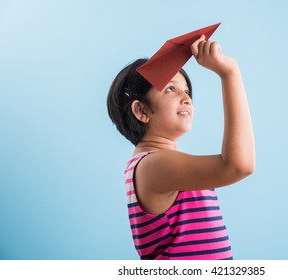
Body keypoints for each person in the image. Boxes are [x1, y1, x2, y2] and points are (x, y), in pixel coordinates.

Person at [107, 35, 255, 260]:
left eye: (187, 90)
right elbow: (238, 165)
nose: (186, 98)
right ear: (141, 111)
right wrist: (229, 73)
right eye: (170, 89)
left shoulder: (160, 164)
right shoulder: (153, 165)